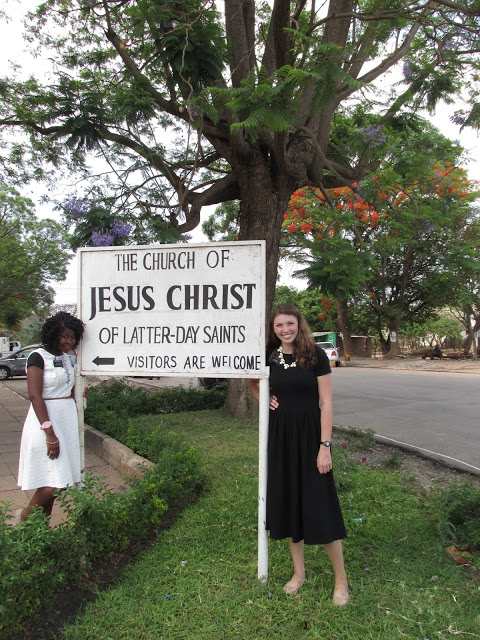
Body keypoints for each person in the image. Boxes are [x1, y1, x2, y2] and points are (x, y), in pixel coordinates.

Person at [247, 303, 348, 604]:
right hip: (280, 439)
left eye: (289, 324)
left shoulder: (314, 355)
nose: (285, 330)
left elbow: (326, 404)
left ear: (298, 324)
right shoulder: (269, 355)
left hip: (310, 438)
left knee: (321, 505)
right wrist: (263, 398)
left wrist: (324, 446)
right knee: (290, 505)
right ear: (273, 329)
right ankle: (298, 573)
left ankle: (341, 581)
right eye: (279, 325)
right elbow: (251, 380)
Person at [17, 312, 85, 522]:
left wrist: (78, 392)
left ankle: (42, 532)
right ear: (54, 334)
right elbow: (35, 395)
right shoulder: (37, 357)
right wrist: (49, 433)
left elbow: (66, 387)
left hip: (65, 422)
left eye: (73, 337)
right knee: (52, 484)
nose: (69, 341)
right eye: (65, 336)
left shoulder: (66, 358)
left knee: (57, 482)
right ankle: (25, 525)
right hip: (45, 424)